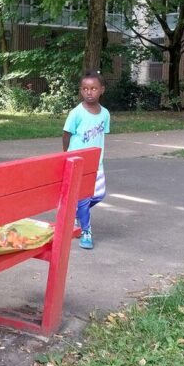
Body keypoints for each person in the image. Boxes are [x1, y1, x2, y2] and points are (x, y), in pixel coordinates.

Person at [62, 71, 109, 250]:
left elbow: (101, 137)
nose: (90, 92)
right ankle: (86, 230)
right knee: (83, 199)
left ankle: (75, 213)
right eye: (86, 89)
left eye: (94, 88)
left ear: (101, 90)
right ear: (81, 91)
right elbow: (66, 134)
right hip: (78, 163)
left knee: (99, 194)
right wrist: (67, 154)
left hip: (97, 164)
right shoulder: (76, 113)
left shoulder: (105, 114)